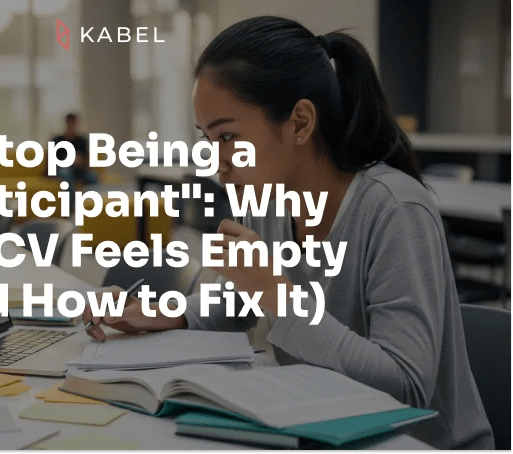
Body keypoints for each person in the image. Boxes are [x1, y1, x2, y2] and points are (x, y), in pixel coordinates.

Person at [82, 16, 493, 450]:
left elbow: (405, 389)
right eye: (208, 139)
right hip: (320, 431)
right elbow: (234, 305)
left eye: (229, 137)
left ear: (299, 122)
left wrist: (279, 296)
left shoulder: (395, 209)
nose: (215, 164)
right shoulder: (270, 199)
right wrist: (169, 314)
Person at [52, 113, 97, 186]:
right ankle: (71, 198)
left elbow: (88, 163)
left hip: (79, 170)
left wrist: (80, 162)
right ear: (66, 123)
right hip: (63, 169)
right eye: (69, 123)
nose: (71, 125)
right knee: (66, 172)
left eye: (73, 123)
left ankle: (92, 197)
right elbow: (52, 162)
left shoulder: (82, 140)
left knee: (92, 177)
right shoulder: (57, 140)